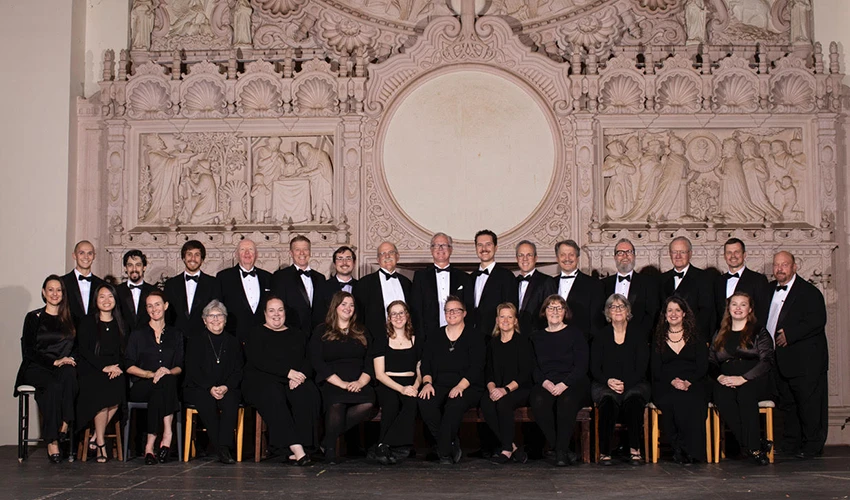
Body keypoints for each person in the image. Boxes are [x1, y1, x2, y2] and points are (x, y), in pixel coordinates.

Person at [765, 251, 828, 459]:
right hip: (780, 360)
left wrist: (790, 335)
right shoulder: (768, 290)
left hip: (806, 362)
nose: (780, 269)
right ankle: (792, 443)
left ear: (794, 267)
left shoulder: (809, 292)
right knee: (788, 405)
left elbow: (817, 320)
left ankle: (812, 446)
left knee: (809, 405)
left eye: (784, 265)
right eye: (776, 265)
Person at [243, 296, 316, 466]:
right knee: (273, 394)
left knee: (307, 391)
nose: (276, 314)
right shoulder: (255, 333)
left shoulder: (297, 334)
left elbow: (307, 360)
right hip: (261, 380)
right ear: (265, 313)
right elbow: (259, 361)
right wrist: (288, 373)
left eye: (280, 310)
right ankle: (296, 448)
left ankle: (306, 446)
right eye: (271, 310)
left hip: (292, 379)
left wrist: (300, 376)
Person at [14, 275, 78, 463]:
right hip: (38, 366)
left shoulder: (71, 318)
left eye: (58, 290)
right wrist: (53, 363)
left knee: (70, 375)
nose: (55, 293)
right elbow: (28, 350)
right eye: (50, 289)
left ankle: (64, 425)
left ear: (63, 293)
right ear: (44, 292)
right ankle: (53, 440)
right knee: (52, 386)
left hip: (63, 364)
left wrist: (69, 359)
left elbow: (78, 347)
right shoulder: (33, 317)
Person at [418, 296, 485, 464]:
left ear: (464, 313)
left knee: (453, 404)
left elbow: (477, 367)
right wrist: (426, 383)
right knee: (426, 401)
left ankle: (444, 452)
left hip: (468, 385)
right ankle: (450, 443)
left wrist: (461, 386)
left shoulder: (475, 335)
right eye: (448, 310)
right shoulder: (435, 335)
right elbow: (426, 364)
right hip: (439, 383)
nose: (452, 313)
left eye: (456, 310)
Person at [709, 291, 774, 465]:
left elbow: (767, 361)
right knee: (722, 397)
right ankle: (755, 445)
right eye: (734, 304)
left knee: (745, 396)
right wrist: (721, 376)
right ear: (728, 308)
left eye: (743, 304)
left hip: (753, 378)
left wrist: (743, 378)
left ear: (750, 309)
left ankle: (752, 448)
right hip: (726, 378)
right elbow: (711, 361)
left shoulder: (760, 331)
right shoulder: (720, 332)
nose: (738, 308)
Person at [311, 292, 375, 463]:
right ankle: (330, 449)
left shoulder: (362, 331)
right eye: (344, 304)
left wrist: (361, 381)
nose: (348, 308)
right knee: (337, 403)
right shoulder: (321, 330)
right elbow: (317, 361)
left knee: (367, 404)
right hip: (332, 380)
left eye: (351, 305)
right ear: (335, 307)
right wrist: (341, 383)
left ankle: (326, 441)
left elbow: (370, 360)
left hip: (358, 380)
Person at [529, 295, 590, 467]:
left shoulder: (575, 334)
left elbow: (581, 365)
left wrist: (564, 384)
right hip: (546, 382)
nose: (554, 311)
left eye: (559, 308)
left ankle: (561, 452)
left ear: (565, 312)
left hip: (573, 381)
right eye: (550, 307)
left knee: (566, 401)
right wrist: (546, 383)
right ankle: (560, 448)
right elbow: (534, 367)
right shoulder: (536, 337)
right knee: (538, 400)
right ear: (544, 312)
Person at [125, 290, 184, 465]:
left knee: (165, 382)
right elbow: (128, 365)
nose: (154, 309)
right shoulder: (138, 334)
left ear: (165, 306)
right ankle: (167, 435)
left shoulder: (176, 334)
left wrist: (166, 372)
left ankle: (149, 446)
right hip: (141, 385)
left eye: (157, 304)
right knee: (162, 385)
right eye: (150, 306)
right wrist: (150, 374)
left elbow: (180, 366)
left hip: (166, 384)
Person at [591, 294, 650, 466]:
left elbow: (642, 366)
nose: (617, 310)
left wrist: (626, 384)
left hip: (634, 382)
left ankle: (635, 449)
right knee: (608, 401)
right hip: (605, 383)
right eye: (613, 307)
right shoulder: (600, 336)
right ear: (608, 312)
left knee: (634, 400)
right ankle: (605, 452)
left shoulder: (638, 334)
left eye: (621, 306)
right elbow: (594, 367)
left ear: (628, 311)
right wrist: (608, 381)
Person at [183, 300, 244, 464]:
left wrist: (225, 387)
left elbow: (238, 370)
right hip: (201, 386)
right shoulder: (195, 341)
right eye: (211, 316)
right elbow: (193, 370)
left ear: (225, 319)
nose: (215, 319)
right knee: (206, 401)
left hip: (227, 387)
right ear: (204, 320)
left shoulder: (233, 342)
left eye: (219, 316)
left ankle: (223, 446)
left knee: (231, 401)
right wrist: (210, 387)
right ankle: (220, 447)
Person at [651, 296, 708, 465]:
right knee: (673, 400)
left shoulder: (696, 336)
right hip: (666, 383)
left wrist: (688, 382)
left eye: (677, 310)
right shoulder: (658, 337)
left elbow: (702, 366)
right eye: (670, 310)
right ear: (665, 315)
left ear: (684, 313)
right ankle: (678, 448)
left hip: (694, 382)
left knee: (692, 400)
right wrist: (673, 381)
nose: (673, 314)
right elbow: (656, 368)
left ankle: (692, 450)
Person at [75, 283, 126, 463]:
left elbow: (124, 352)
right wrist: (103, 368)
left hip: (114, 369)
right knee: (102, 390)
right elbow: (84, 350)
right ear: (96, 300)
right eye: (102, 296)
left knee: (120, 386)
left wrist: (117, 367)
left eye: (110, 296)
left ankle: (97, 436)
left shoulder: (120, 322)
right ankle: (102, 445)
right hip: (92, 368)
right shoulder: (88, 322)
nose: (106, 300)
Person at [480, 303, 533, 464]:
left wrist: (505, 390)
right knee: (486, 403)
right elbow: (488, 371)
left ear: (515, 321)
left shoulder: (523, 342)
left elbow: (526, 373)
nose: (505, 320)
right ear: (497, 320)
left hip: (518, 389)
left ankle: (506, 449)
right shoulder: (492, 343)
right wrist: (492, 389)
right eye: (502, 316)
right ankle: (512, 446)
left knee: (503, 403)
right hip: (497, 388)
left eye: (510, 317)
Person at [372, 300, 421, 465]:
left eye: (401, 313)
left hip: (411, 381)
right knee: (391, 404)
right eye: (394, 313)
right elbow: (379, 374)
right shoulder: (381, 340)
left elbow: (420, 368)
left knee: (412, 403)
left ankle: (385, 445)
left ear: (407, 316)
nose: (398, 317)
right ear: (389, 318)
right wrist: (402, 389)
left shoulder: (417, 339)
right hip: (388, 383)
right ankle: (398, 446)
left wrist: (414, 387)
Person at [411, 233, 471, 339]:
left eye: (444, 245)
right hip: (429, 335)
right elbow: (416, 309)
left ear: (451, 249)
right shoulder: (420, 277)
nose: (440, 248)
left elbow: (469, 307)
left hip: (458, 335)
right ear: (431, 249)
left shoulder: (464, 277)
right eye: (436, 245)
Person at [544, 240, 605, 342]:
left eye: (571, 255)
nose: (567, 258)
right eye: (563, 255)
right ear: (557, 258)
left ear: (577, 258)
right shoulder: (549, 283)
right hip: (552, 343)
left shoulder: (594, 284)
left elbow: (597, 322)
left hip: (581, 344)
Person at [659, 236, 716, 343]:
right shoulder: (661, 279)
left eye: (682, 252)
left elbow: (706, 312)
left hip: (694, 339)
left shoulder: (704, 278)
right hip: (667, 339)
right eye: (674, 252)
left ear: (690, 254)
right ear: (670, 254)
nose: (678, 256)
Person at [216, 239, 272, 344]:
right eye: (243, 249)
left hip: (263, 337)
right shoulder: (224, 277)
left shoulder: (267, 277)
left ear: (256, 255)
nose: (247, 253)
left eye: (250, 249)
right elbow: (219, 307)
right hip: (234, 337)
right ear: (237, 254)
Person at [602, 238, 660, 339]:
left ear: (634, 256)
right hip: (609, 340)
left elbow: (652, 314)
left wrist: (638, 336)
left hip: (640, 340)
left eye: (629, 252)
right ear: (615, 257)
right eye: (620, 253)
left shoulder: (648, 283)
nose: (625, 256)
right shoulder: (603, 284)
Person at [164, 240, 221, 341]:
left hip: (204, 340)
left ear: (202, 259)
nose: (193, 258)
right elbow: (167, 316)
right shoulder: (171, 284)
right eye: (189, 254)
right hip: (176, 340)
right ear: (183, 258)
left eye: (197, 255)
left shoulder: (213, 283)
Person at [356, 242, 412, 342]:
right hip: (375, 341)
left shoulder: (407, 283)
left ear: (397, 256)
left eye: (391, 252)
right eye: (383, 253)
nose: (387, 256)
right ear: (378, 259)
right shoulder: (364, 283)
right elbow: (359, 317)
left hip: (405, 340)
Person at [271, 236, 328, 335]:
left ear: (310, 252)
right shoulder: (281, 276)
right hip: (291, 333)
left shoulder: (320, 278)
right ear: (291, 253)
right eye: (297, 250)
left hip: (317, 334)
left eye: (305, 249)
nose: (302, 253)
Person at [468, 230, 518, 338]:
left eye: (488, 244)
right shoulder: (469, 278)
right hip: (472, 337)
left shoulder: (506, 276)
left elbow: (511, 309)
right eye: (480, 245)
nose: (484, 248)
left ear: (495, 248)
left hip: (496, 337)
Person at [713, 238, 770, 328]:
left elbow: (762, 312)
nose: (733, 256)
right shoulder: (718, 281)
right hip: (722, 335)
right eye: (729, 252)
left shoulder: (758, 279)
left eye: (737, 252)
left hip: (748, 335)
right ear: (724, 256)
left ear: (744, 255)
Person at [514, 240, 553, 337]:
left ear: (536, 258)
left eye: (529, 255)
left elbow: (551, 313)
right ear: (517, 258)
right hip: (515, 338)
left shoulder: (546, 281)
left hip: (538, 337)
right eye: (521, 255)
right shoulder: (512, 282)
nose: (525, 259)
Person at [61, 240, 105, 323]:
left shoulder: (102, 285)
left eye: (90, 253)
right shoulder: (62, 282)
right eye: (81, 253)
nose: (86, 257)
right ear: (74, 255)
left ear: (94, 256)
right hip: (69, 333)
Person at [116, 249, 157, 334]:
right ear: (125, 268)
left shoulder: (154, 291)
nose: (134, 269)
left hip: (147, 341)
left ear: (144, 267)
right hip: (123, 343)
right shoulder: (117, 291)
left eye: (138, 265)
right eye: (130, 265)